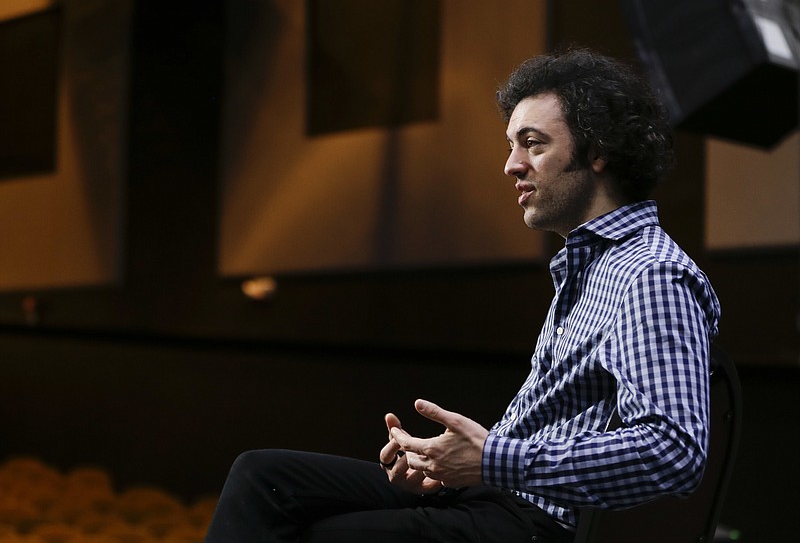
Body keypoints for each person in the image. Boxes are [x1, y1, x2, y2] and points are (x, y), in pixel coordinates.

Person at [204, 47, 720, 543]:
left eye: (533, 143)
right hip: (501, 498)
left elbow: (671, 452)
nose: (511, 166)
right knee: (263, 477)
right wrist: (446, 465)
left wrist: (491, 460)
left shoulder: (651, 274)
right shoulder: (593, 268)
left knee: (323, 534)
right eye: (510, 145)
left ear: (598, 152)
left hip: (537, 523)